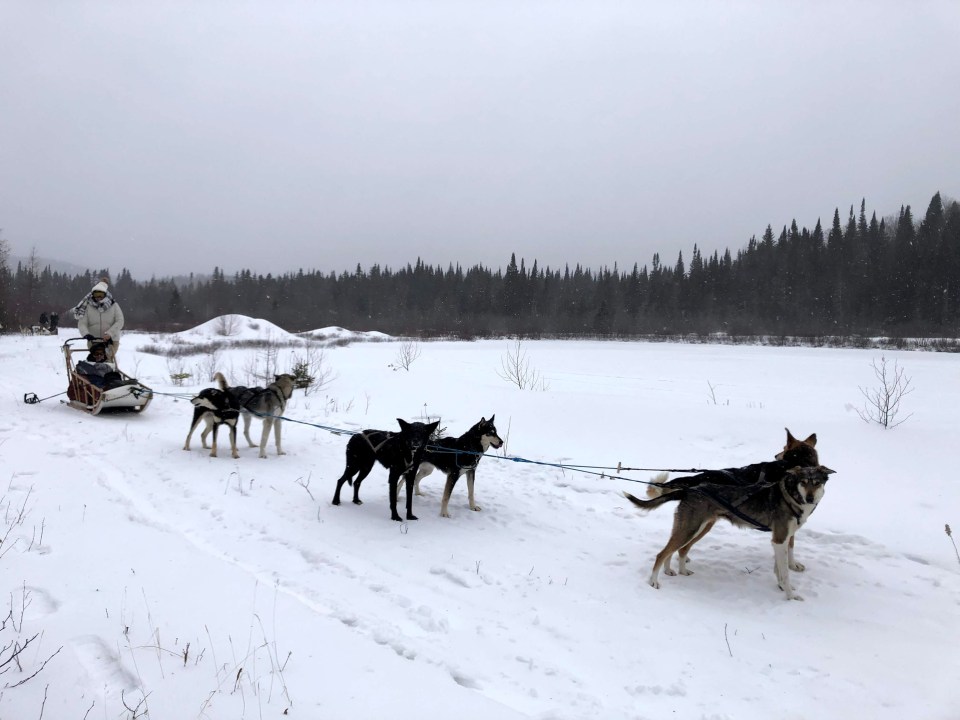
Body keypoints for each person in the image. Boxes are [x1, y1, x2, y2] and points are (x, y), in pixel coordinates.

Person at [73, 280, 124, 360]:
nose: (98, 297)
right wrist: (86, 334)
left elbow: (120, 321)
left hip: (111, 341)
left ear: (105, 294)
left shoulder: (114, 305)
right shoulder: (87, 306)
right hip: (94, 340)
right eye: (96, 294)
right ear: (92, 295)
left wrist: (110, 333)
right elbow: (82, 323)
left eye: (101, 294)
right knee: (95, 361)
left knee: (108, 361)